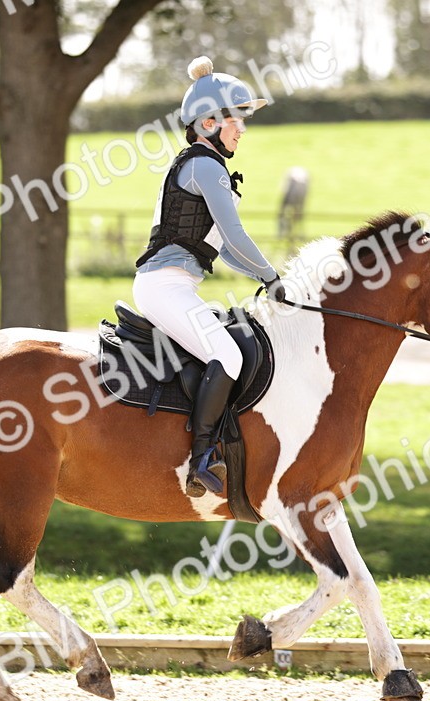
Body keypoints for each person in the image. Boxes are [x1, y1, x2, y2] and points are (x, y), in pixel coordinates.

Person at [133, 56, 288, 499]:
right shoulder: (205, 166)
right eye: (237, 120)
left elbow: (227, 250)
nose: (242, 130)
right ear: (208, 123)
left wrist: (268, 279)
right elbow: (236, 235)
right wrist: (271, 275)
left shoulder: (205, 165)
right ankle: (200, 458)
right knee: (228, 354)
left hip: (173, 285)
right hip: (164, 287)